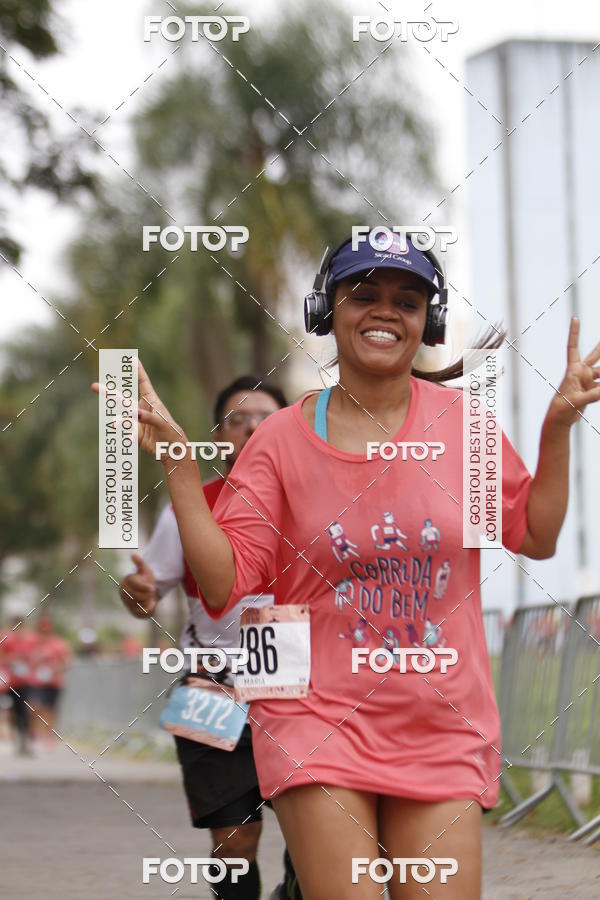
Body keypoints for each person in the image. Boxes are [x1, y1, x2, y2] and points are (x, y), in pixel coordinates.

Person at [96, 231, 600, 899]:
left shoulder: (465, 429)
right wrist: (181, 467)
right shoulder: (278, 442)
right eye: (363, 295)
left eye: (408, 300)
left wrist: (557, 427)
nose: (385, 311)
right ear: (326, 312)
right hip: (317, 720)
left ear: (429, 321)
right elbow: (223, 586)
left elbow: (535, 535)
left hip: (443, 723)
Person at [118, 375, 299, 900]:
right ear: (218, 436)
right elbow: (140, 595)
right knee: (234, 839)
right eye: (235, 420)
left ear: (286, 429)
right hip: (209, 685)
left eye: (263, 417)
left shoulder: (314, 503)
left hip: (303, 684)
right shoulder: (187, 511)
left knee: (314, 836)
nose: (249, 428)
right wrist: (139, 594)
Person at [27, 617, 72, 743]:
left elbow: (67, 661)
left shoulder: (59, 644)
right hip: (35, 682)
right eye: (41, 631)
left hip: (53, 682)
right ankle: (33, 730)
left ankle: (48, 736)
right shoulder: (31, 643)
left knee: (50, 710)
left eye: (46, 631)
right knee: (33, 706)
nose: (43, 634)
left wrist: (56, 668)